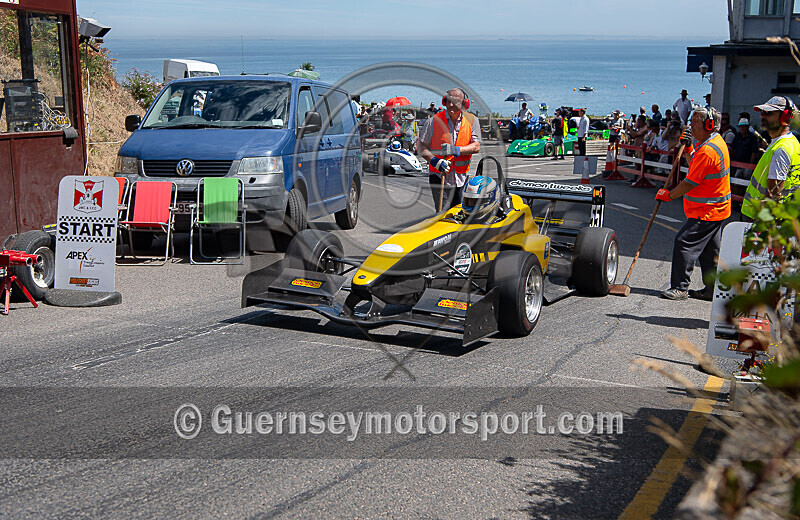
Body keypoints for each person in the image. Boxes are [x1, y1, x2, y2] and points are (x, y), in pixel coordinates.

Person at [655, 107, 731, 301]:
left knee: (684, 242)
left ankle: (680, 287)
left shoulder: (708, 150)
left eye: (695, 122)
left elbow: (690, 182)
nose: (690, 126)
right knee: (709, 252)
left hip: (707, 210)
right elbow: (697, 166)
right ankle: (712, 289)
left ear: (709, 125)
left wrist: (669, 195)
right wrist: (689, 149)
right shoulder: (713, 143)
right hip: (716, 209)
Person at [417, 87, 481, 211]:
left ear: (464, 103)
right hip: (439, 176)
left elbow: (476, 146)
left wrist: (457, 150)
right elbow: (421, 147)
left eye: (455, 101)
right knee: (442, 214)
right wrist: (435, 161)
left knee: (460, 213)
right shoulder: (433, 121)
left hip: (461, 178)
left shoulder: (472, 121)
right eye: (448, 101)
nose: (451, 105)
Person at [741, 96, 800, 221]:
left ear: (785, 117)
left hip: (757, 218)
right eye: (762, 112)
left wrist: (760, 224)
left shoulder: (781, 149)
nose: (762, 116)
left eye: (768, 113)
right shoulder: (790, 142)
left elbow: (773, 195)